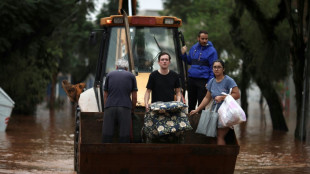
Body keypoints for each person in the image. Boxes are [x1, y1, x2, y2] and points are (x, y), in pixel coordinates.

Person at [189, 59, 240, 145]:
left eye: (219, 67)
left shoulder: (228, 80)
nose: (216, 69)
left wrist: (222, 97)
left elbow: (237, 95)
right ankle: (214, 157)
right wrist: (197, 110)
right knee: (210, 136)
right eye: (214, 67)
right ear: (212, 69)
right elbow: (207, 98)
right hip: (213, 113)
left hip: (225, 113)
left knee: (220, 136)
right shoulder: (211, 81)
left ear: (223, 69)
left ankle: (221, 157)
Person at [181, 30, 218, 113]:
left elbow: (213, 67)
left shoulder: (212, 51)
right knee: (191, 104)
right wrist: (183, 54)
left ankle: (200, 125)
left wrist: (210, 82)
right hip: (192, 80)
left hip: (203, 81)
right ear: (198, 38)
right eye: (202, 39)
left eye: (206, 39)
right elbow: (189, 61)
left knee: (201, 106)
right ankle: (191, 124)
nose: (204, 41)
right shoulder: (194, 48)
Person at [102, 58, 138, 143]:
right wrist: (132, 109)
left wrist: (106, 108)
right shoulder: (131, 76)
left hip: (110, 106)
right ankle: (123, 154)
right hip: (125, 107)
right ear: (126, 68)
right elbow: (134, 97)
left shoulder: (109, 75)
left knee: (107, 134)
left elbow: (105, 95)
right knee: (124, 135)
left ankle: (105, 154)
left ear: (117, 67)